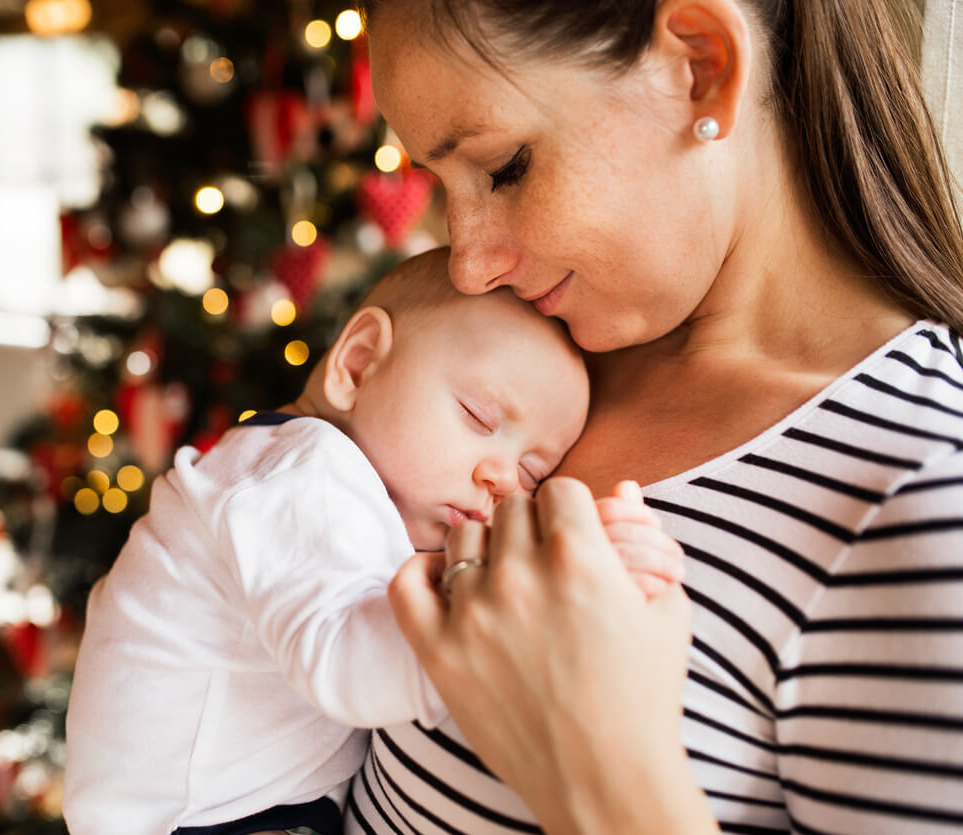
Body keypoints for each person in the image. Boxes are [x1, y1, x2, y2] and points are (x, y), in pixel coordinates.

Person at [346, 0, 963, 833]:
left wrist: (602, 776)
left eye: (502, 167)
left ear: (698, 66)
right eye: (438, 183)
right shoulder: (524, 364)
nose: (466, 264)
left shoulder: (919, 494)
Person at [62, 249, 686, 835]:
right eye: (479, 418)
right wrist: (532, 618)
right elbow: (345, 660)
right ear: (358, 363)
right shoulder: (302, 474)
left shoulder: (318, 482)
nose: (500, 479)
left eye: (531, 473)